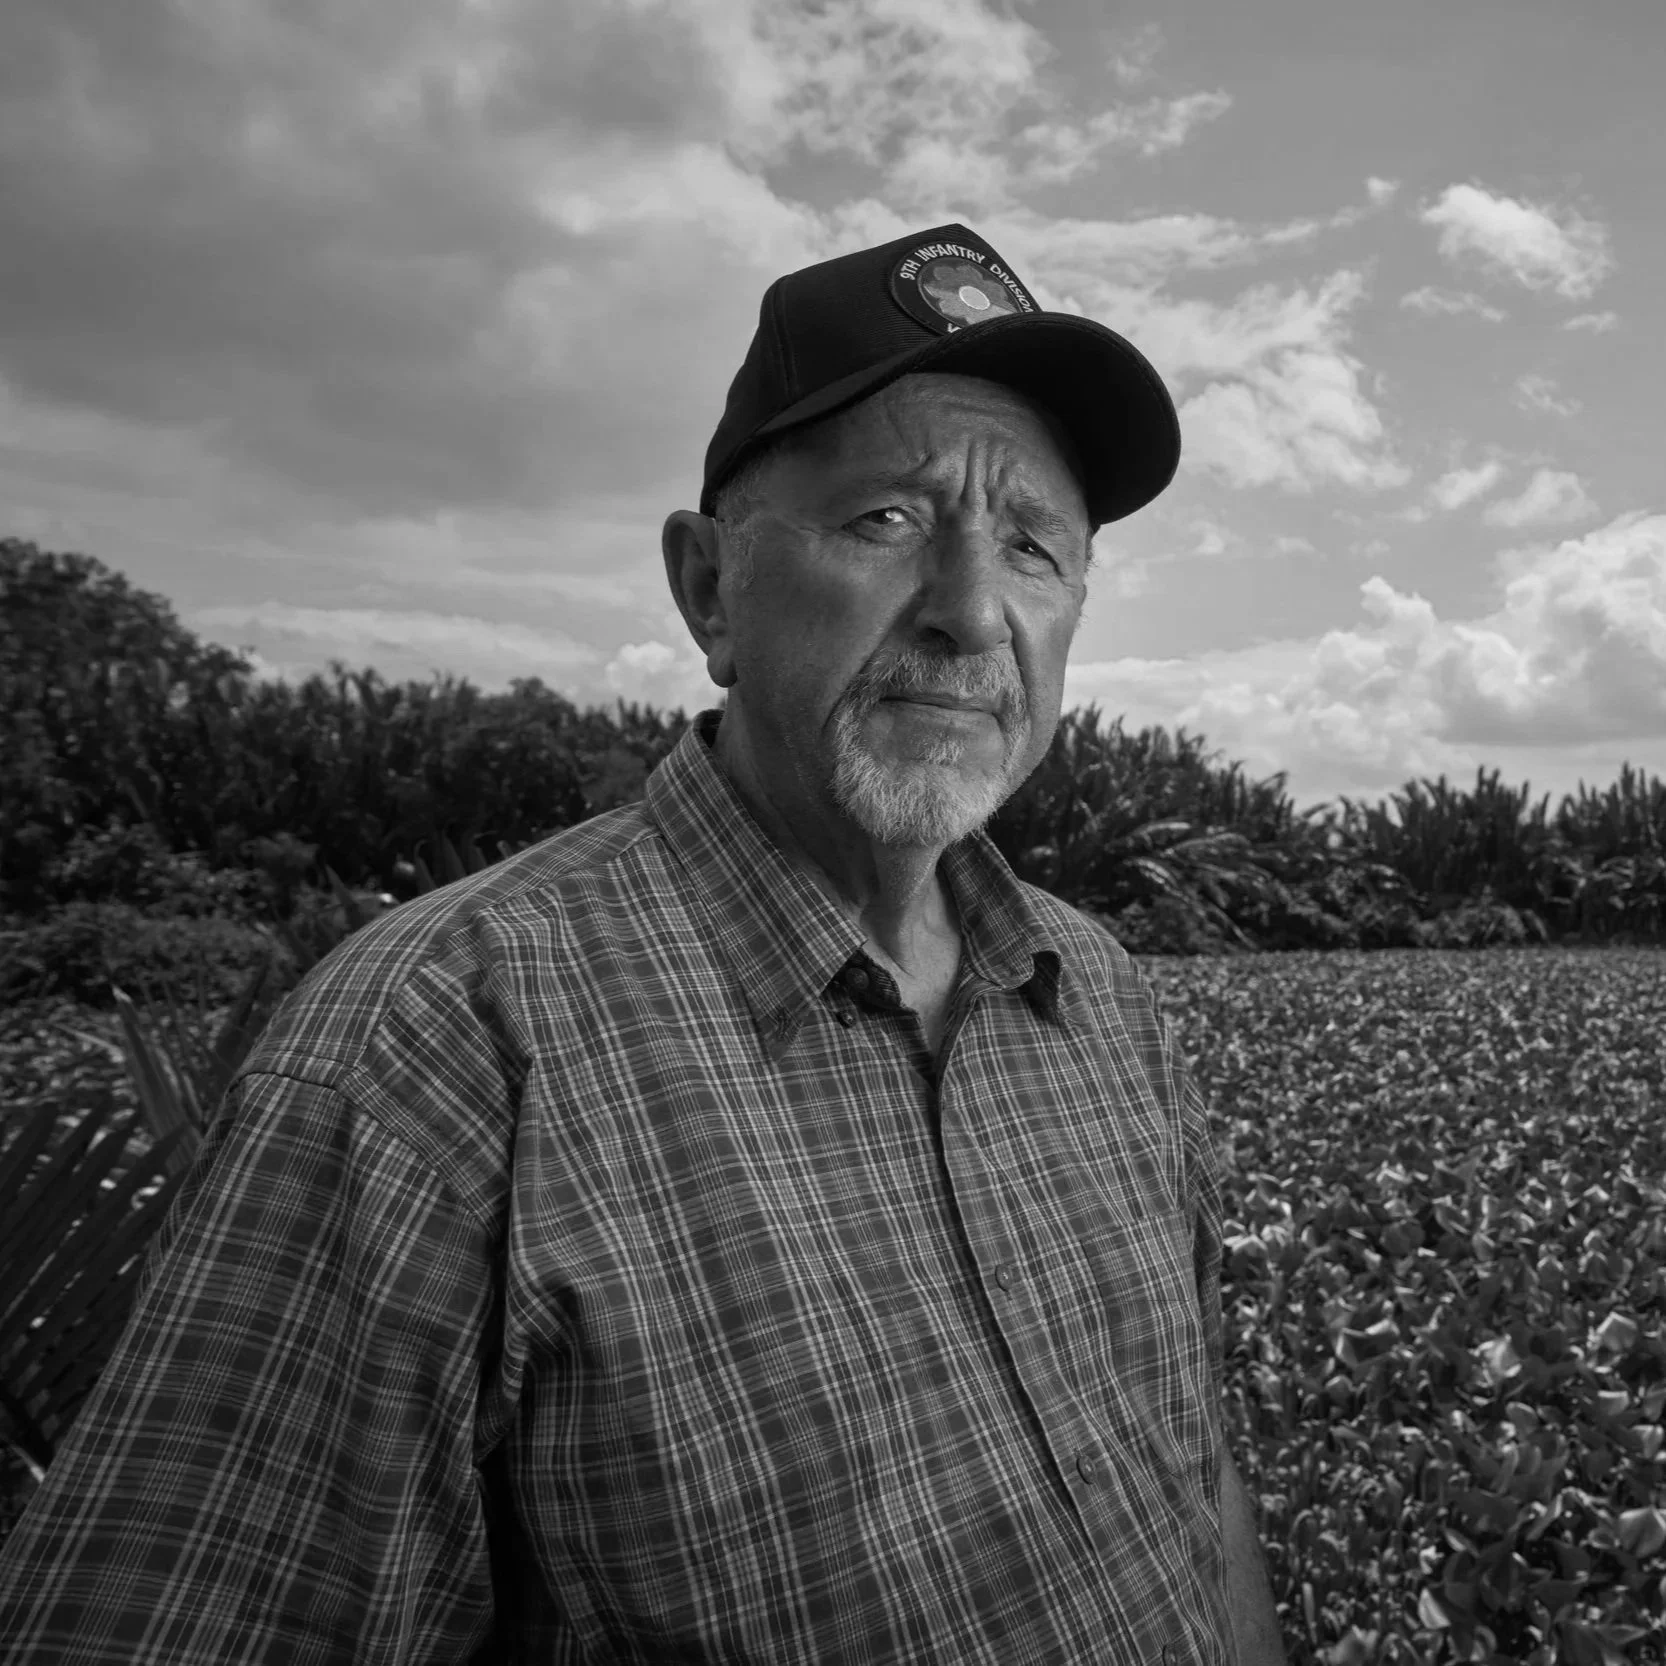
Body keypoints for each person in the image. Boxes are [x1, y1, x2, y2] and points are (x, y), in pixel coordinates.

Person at [0, 222, 1287, 1664]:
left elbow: (1195, 1477)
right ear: (708, 589)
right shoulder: (435, 1047)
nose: (972, 611)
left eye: (1035, 548)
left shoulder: (1098, 991)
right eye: (886, 520)